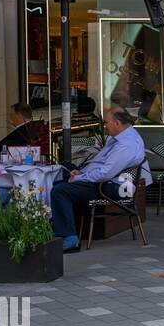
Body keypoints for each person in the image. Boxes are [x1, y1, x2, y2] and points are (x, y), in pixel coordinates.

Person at [49, 108, 149, 252]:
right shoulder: (121, 137)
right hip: (108, 182)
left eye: (106, 122)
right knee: (62, 176)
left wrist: (79, 178)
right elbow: (100, 163)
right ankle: (60, 226)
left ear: (117, 123)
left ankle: (70, 239)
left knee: (60, 191)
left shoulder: (126, 144)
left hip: (113, 187)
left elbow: (105, 173)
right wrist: (82, 172)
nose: (105, 126)